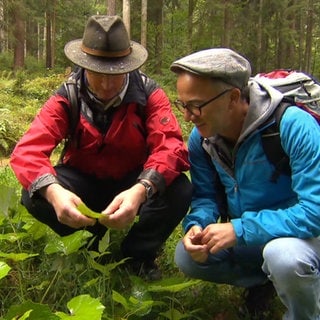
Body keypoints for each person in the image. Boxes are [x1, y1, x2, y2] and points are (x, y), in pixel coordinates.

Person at [10, 15, 192, 280]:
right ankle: (90, 245)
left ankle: (137, 256)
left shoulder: (150, 93)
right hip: (83, 182)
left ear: (128, 67)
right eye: (98, 74)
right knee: (34, 193)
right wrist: (53, 191)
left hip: (133, 180)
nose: (107, 85)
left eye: (115, 75)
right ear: (84, 66)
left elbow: (171, 146)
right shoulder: (67, 96)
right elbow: (27, 151)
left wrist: (141, 190)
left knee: (179, 189)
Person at [170, 48, 320, 319]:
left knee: (283, 256)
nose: (188, 116)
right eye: (183, 105)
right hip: (250, 235)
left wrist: (240, 229)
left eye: (196, 105)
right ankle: (264, 284)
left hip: (304, 238)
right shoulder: (201, 138)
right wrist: (197, 227)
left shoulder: (293, 125)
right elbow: (205, 196)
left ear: (233, 97)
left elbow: (315, 211)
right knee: (186, 256)